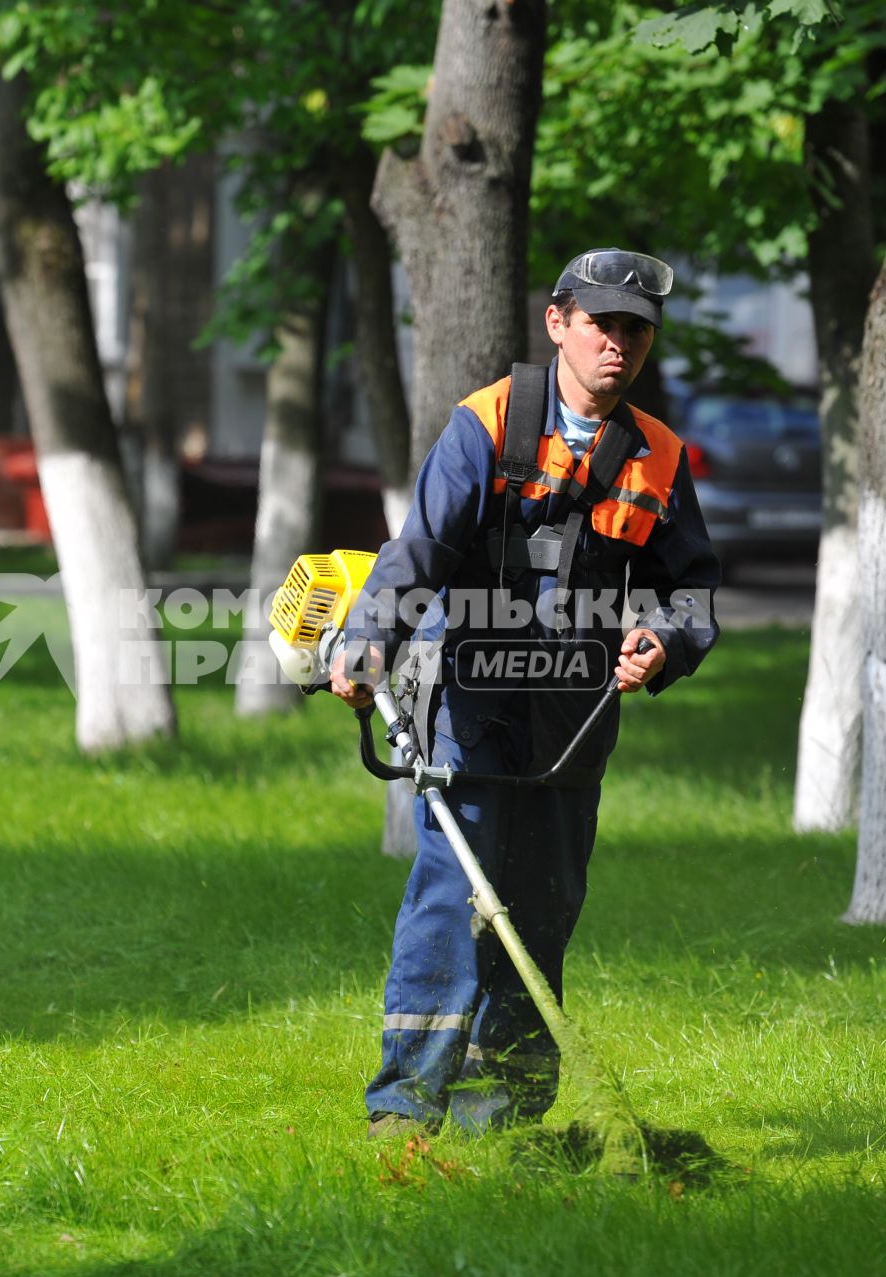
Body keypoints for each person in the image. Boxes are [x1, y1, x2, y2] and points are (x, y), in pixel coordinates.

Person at [329, 248, 721, 1137]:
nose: (617, 344)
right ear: (558, 325)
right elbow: (416, 555)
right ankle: (405, 1106)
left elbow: (689, 587)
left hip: (574, 721)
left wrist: (664, 638)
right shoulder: (487, 423)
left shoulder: (659, 456)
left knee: (541, 913)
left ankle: (503, 1114)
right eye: (601, 325)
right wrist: (366, 645)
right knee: (450, 904)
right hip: (470, 706)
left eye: (635, 330)